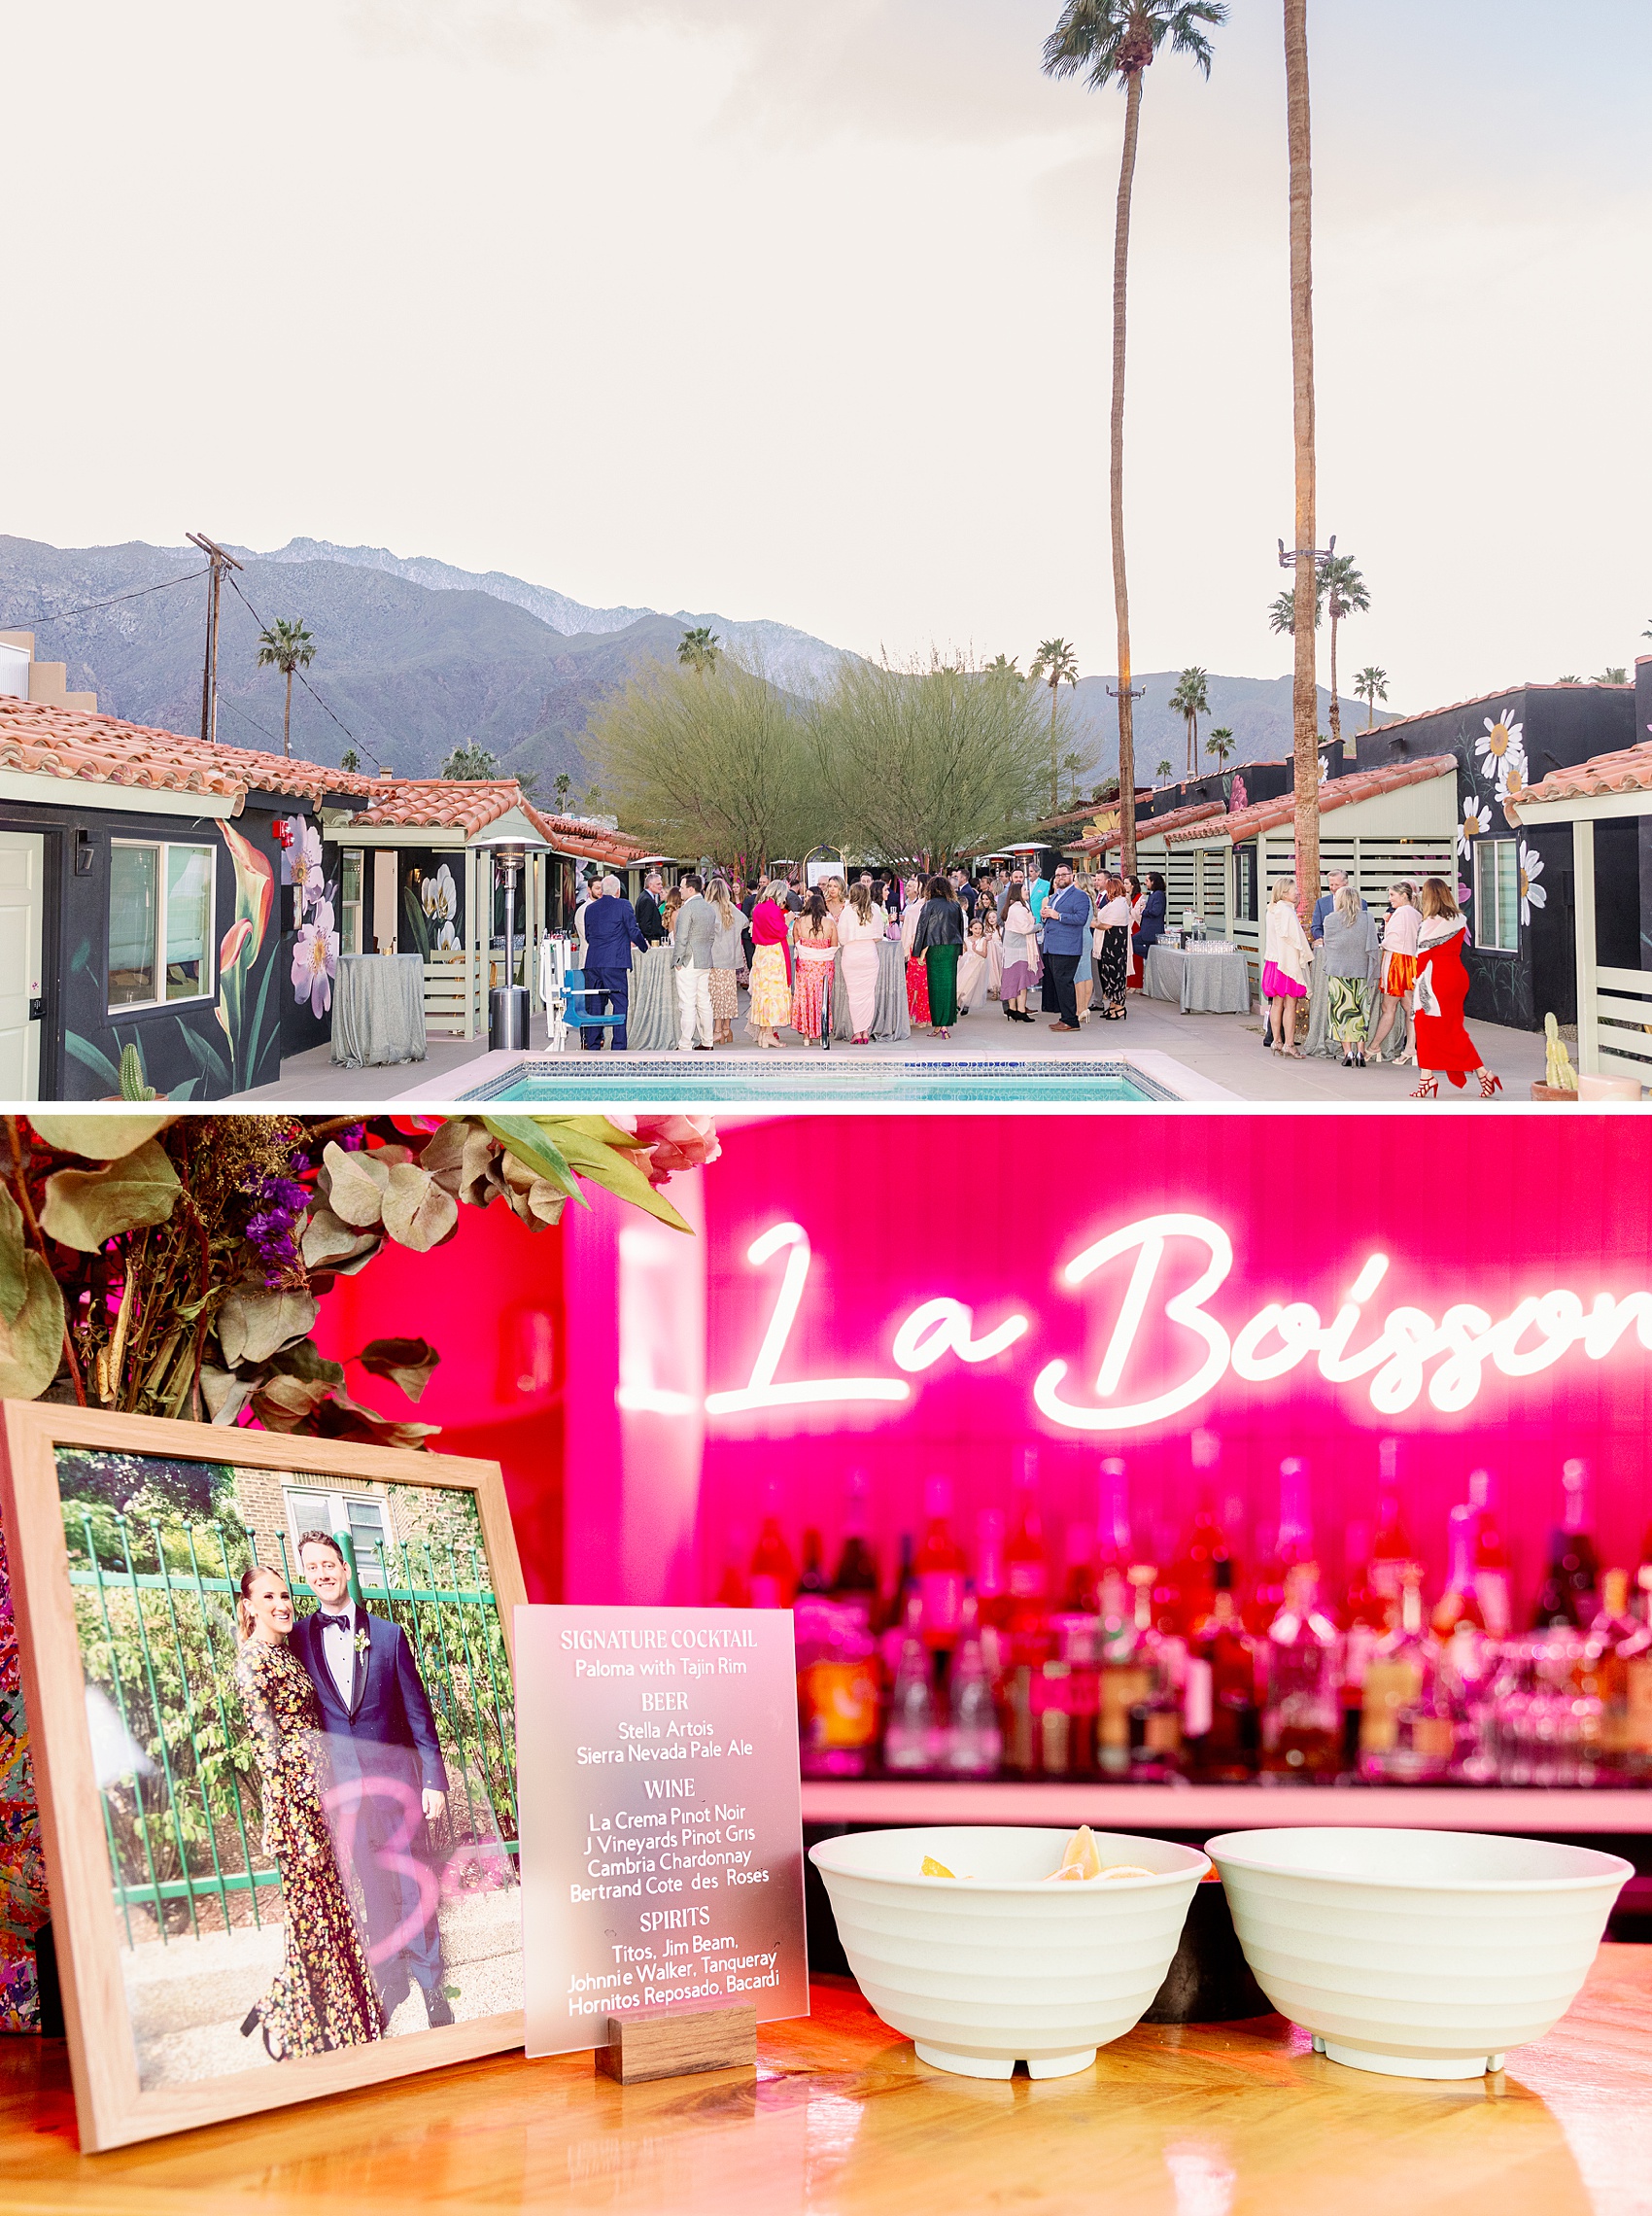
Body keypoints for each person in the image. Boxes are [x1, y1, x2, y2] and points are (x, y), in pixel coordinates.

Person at [291, 1533, 453, 2027]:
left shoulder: (388, 1636)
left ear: (344, 1567)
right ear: (307, 1576)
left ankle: (431, 1987)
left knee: (411, 1882)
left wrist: (435, 1782)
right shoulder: (298, 1639)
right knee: (371, 1886)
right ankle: (390, 1982)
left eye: (329, 1563)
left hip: (398, 1788)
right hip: (344, 1793)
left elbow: (419, 1717)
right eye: (312, 1567)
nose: (322, 1573)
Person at [234, 1565, 384, 2060]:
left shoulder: (285, 1653)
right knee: (313, 1919)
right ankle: (305, 2020)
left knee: (329, 1912)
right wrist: (295, 1817)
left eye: (285, 1595)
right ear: (248, 1606)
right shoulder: (253, 1662)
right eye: (268, 1596)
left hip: (319, 1796)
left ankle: (287, 2006)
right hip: (296, 1808)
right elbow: (266, 1751)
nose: (281, 1604)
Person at [1412, 878, 1502, 1098]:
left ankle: (1430, 1076)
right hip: (1456, 975)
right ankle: (1476, 1074)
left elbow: (1423, 958)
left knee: (1427, 1026)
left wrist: (1416, 982)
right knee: (1451, 1028)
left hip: (1435, 980)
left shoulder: (1430, 923)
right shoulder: (1460, 919)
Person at [579, 873, 645, 1051]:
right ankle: (618, 1046)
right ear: (617, 891)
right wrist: (644, 946)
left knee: (595, 1005)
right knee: (620, 1003)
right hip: (615, 962)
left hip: (593, 962)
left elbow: (589, 935)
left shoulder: (590, 909)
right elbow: (633, 930)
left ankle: (592, 1045)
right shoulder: (623, 905)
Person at [1322, 883, 1380, 1066]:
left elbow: (1329, 946)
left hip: (1338, 972)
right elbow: (1373, 945)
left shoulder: (1330, 920)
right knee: (1361, 1012)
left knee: (1341, 1014)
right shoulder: (1368, 918)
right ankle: (1361, 1052)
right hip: (1361, 972)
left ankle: (1348, 1053)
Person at [1367, 882, 1421, 1065]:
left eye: (1392, 895)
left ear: (1403, 895)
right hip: (1410, 961)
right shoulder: (1415, 913)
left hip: (1397, 962)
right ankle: (1410, 1048)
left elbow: (1390, 940)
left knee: (1388, 1008)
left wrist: (1387, 927)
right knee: (1409, 1008)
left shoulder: (1401, 913)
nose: (1390, 899)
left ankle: (1374, 1046)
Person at [1262, 877, 1313, 1056]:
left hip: (1273, 962)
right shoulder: (1287, 912)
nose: (1297, 892)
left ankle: (1276, 1040)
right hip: (1287, 963)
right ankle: (1289, 1044)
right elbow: (1296, 940)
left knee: (1277, 1004)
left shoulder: (1271, 910)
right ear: (1284, 893)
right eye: (1294, 890)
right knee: (1290, 1004)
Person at [911, 874, 964, 1039]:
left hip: (935, 949)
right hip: (951, 948)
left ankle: (937, 1025)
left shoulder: (929, 905)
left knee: (935, 988)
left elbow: (922, 930)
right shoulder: (955, 905)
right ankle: (945, 1026)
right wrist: (960, 950)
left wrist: (919, 953)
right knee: (949, 987)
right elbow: (961, 928)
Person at [1040, 864, 1092, 1033]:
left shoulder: (1080, 896)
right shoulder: (1055, 896)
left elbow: (1081, 919)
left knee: (1065, 983)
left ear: (1072, 876)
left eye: (1064, 874)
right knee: (1060, 984)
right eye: (1057, 875)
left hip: (1068, 947)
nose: (1060, 877)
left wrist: (1058, 915)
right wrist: (1045, 916)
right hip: (1053, 946)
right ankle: (1066, 1018)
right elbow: (1050, 919)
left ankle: (1071, 1020)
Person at [670, 873, 717, 1052]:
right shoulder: (709, 908)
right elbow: (712, 937)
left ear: (690, 889)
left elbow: (681, 937)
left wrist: (677, 959)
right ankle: (708, 1041)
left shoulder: (687, 909)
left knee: (687, 1004)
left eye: (682, 887)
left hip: (688, 960)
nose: (680, 890)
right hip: (704, 959)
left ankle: (685, 1044)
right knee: (704, 1001)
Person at [746, 880, 794, 1047]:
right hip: (773, 954)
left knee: (763, 994)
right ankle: (768, 1034)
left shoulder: (758, 907)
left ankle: (763, 1034)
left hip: (760, 953)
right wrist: (787, 920)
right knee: (774, 994)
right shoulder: (773, 909)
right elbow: (780, 931)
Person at [838, 879, 884, 1044]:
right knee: (868, 994)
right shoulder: (875, 910)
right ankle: (865, 1031)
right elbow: (879, 935)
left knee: (854, 995)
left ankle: (858, 1032)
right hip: (869, 953)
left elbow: (841, 938)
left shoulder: (847, 911)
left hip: (851, 954)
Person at [790, 887, 837, 1046]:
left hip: (805, 966)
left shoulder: (799, 922)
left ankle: (806, 1036)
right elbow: (834, 945)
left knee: (805, 998)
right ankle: (821, 1030)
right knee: (822, 998)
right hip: (824, 966)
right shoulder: (830, 923)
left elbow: (796, 942)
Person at [708, 879, 744, 1047]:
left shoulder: (709, 909)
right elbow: (745, 922)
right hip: (731, 959)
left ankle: (717, 1030)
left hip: (715, 958)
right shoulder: (732, 910)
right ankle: (726, 1029)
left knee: (716, 996)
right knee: (728, 995)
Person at [1093, 875, 1132, 1021]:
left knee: (1115, 974)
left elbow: (1108, 924)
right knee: (1109, 975)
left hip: (1114, 944)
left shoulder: (1118, 904)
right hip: (1110, 943)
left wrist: (1095, 924)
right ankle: (1113, 1004)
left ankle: (1119, 1006)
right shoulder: (1115, 902)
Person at [1000, 885, 1035, 1022]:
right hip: (1019, 950)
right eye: (1024, 889)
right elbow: (1025, 929)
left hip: (1011, 950)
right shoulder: (1019, 909)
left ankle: (1012, 1009)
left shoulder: (1011, 907)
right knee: (1021, 982)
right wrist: (1040, 925)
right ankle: (1021, 1011)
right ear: (1017, 893)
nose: (1027, 891)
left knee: (1012, 980)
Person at [1310, 869, 1362, 944]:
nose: (1333, 888)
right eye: (1331, 885)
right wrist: (1323, 938)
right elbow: (1316, 927)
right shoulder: (1321, 903)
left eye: (1337, 885)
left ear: (1346, 884)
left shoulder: (1361, 902)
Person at [956, 903, 990, 1017]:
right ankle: (958, 1003)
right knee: (962, 982)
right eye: (975, 928)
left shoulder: (983, 940)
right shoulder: (966, 939)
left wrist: (976, 950)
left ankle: (965, 1004)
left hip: (978, 963)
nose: (978, 931)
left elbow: (985, 954)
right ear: (970, 929)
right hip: (967, 962)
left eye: (980, 929)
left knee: (971, 984)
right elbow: (964, 951)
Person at [1132, 873, 1167, 975]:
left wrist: (1144, 911)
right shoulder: (1155, 894)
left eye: (1147, 881)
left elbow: (1156, 911)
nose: (1145, 883)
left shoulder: (1158, 895)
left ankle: (1151, 953)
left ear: (1153, 882)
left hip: (1151, 930)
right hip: (1148, 929)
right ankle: (1151, 954)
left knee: (1131, 943)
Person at [1124, 875, 1146, 990]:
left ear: (1133, 885)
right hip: (1126, 926)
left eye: (1127, 883)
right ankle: (1129, 982)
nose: (1124, 885)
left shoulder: (1140, 898)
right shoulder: (1126, 896)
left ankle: (1136, 984)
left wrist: (1129, 906)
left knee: (1135, 956)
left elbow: (1139, 914)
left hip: (1135, 927)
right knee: (1128, 957)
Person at [635, 872, 666, 947]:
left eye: (661, 884)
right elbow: (645, 924)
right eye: (658, 884)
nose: (661, 886)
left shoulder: (645, 897)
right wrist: (652, 941)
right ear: (650, 885)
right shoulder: (647, 899)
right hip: (651, 942)